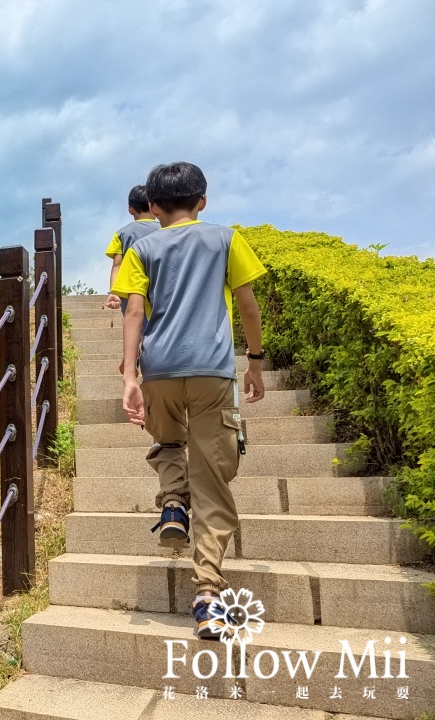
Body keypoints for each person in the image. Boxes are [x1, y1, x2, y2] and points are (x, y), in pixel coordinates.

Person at [109, 161, 267, 640]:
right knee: (214, 479)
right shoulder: (225, 239)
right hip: (211, 374)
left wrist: (130, 375)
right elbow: (247, 304)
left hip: (158, 372)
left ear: (151, 207)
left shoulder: (143, 246)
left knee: (167, 443)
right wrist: (255, 362)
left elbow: (134, 310)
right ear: (203, 201)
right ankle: (207, 594)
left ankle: (173, 503)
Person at [105, 185, 159, 311]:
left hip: (131, 289)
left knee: (135, 325)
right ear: (154, 206)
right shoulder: (166, 230)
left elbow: (117, 265)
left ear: (130, 209)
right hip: (159, 286)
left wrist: (114, 292)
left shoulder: (120, 234)